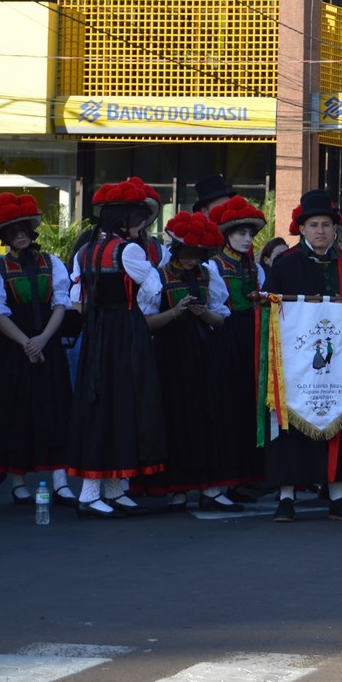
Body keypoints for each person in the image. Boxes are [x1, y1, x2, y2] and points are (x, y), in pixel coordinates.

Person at [263, 189, 342, 524]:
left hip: (339, 365)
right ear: (301, 229)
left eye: (326, 225)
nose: (320, 230)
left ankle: (338, 494)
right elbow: (268, 308)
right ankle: (286, 496)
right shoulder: (285, 265)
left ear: (335, 230)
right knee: (289, 425)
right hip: (294, 364)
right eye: (313, 224)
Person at [67, 177, 168, 519]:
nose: (141, 225)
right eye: (138, 219)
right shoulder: (131, 250)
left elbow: (75, 297)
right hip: (126, 331)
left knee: (100, 403)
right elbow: (152, 289)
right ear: (125, 220)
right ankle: (92, 493)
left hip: (97, 332)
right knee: (123, 403)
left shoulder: (88, 250)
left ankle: (109, 489)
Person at [0, 193, 75, 507]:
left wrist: (42, 339)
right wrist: (26, 343)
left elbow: (61, 304)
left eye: (24, 229)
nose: (19, 234)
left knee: (56, 410)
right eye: (12, 230)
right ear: (4, 236)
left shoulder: (52, 263)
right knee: (14, 413)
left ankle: (60, 481)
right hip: (12, 351)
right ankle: (18, 482)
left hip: (49, 345)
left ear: (31, 232)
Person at [143, 212, 245, 512]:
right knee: (175, 418)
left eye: (197, 255)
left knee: (208, 417)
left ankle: (210, 488)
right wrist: (176, 312)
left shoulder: (209, 275)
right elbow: (145, 322)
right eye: (187, 254)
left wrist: (202, 313)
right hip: (169, 354)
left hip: (204, 353)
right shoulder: (156, 277)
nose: (191, 260)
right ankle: (177, 489)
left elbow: (221, 318)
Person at [209, 196, 268, 498]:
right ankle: (229, 479)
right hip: (227, 336)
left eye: (249, 234)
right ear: (227, 235)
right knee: (230, 405)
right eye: (240, 234)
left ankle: (249, 474)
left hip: (251, 335)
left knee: (251, 403)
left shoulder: (254, 268)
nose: (246, 239)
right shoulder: (213, 265)